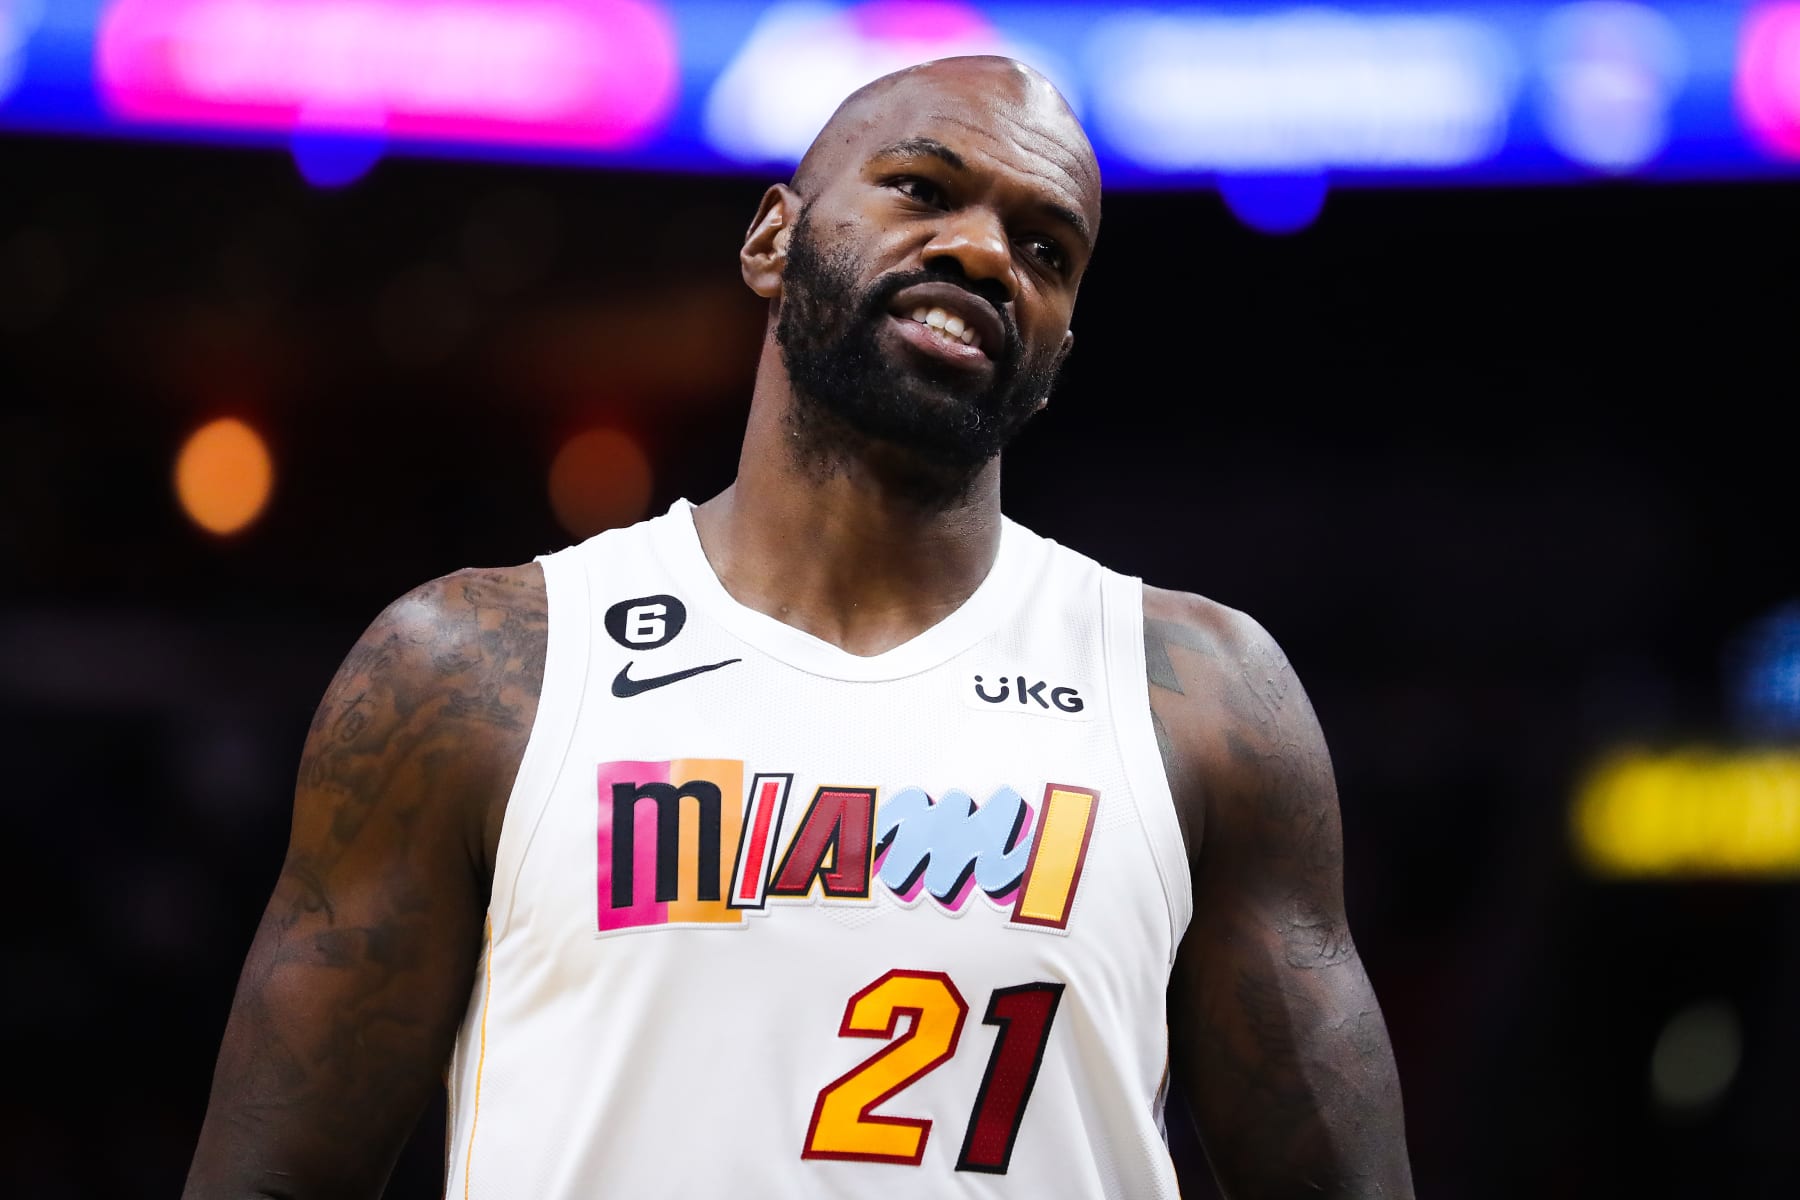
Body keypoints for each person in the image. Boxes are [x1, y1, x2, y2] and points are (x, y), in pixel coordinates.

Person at [184, 55, 1414, 1198]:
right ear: (773, 239)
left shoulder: (1199, 699)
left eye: (1046, 248)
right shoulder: (476, 666)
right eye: (922, 188)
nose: (984, 253)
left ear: (1060, 346)